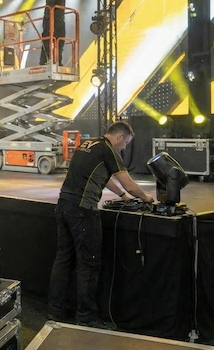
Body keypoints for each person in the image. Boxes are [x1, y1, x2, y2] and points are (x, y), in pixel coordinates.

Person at [47, 121, 153, 329]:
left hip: (63, 206)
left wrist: (122, 196)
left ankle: (56, 312)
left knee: (63, 260)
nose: (124, 148)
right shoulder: (108, 149)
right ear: (120, 137)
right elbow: (128, 182)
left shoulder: (88, 145)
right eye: (126, 143)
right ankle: (86, 318)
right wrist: (146, 197)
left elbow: (103, 178)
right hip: (82, 211)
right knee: (89, 264)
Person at [41, 0, 90, 65]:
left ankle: (58, 62)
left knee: (61, 40)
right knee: (48, 40)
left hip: (60, 17)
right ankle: (46, 61)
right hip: (50, 17)